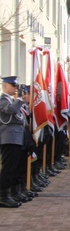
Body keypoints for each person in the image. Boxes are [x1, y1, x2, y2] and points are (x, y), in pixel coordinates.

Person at [0, 76, 25, 208]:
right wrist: (20, 100)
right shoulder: (3, 100)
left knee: (15, 167)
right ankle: (3, 195)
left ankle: (12, 192)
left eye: (16, 86)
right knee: (8, 168)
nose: (16, 88)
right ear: (5, 86)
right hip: (8, 138)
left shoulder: (13, 101)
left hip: (15, 138)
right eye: (13, 86)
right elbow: (10, 110)